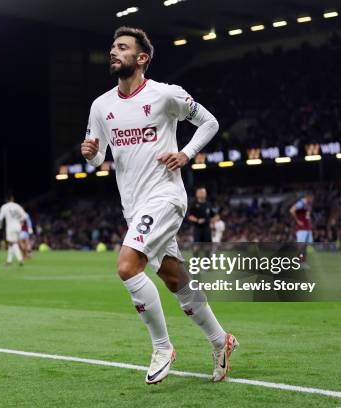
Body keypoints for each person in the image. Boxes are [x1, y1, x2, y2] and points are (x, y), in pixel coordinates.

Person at [80, 26, 237, 385]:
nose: (113, 52)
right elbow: (97, 155)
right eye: (112, 46)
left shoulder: (166, 95)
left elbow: (209, 122)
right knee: (173, 278)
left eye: (122, 47)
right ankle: (221, 340)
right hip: (133, 207)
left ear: (142, 58)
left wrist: (185, 154)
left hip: (165, 196)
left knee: (126, 266)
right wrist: (90, 155)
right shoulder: (101, 106)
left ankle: (162, 346)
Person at [0, 193, 27, 266]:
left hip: (10, 227)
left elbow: (0, 218)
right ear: (12, 199)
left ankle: (20, 259)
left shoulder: (4, 207)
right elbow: (24, 216)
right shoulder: (17, 206)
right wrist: (20, 223)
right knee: (11, 244)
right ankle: (9, 261)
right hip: (18, 227)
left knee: (13, 243)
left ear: (6, 200)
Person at [188, 187, 214, 255]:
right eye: (201, 192)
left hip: (207, 228)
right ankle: (195, 261)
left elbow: (213, 215)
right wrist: (197, 220)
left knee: (208, 246)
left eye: (204, 192)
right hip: (198, 228)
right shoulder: (193, 204)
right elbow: (190, 216)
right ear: (197, 194)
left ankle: (206, 262)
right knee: (197, 246)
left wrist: (213, 220)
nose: (203, 194)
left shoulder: (209, 204)